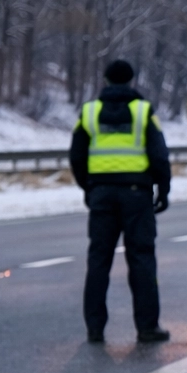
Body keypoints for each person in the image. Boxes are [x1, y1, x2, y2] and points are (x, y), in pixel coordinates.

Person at [69, 59, 171, 344]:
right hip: (137, 193)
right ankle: (147, 327)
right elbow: (159, 155)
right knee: (141, 259)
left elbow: (76, 155)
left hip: (102, 193)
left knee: (99, 260)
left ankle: (95, 328)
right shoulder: (143, 111)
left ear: (105, 79)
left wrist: (89, 187)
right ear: (131, 80)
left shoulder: (89, 112)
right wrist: (163, 190)